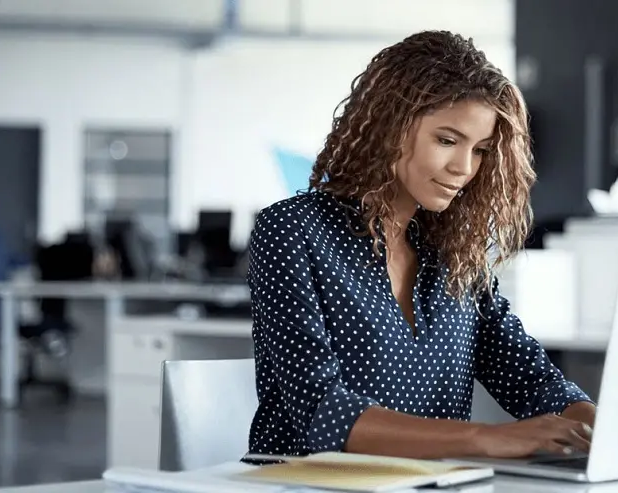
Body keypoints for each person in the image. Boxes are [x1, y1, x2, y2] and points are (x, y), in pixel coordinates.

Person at [246, 30, 596, 461]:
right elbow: (322, 412)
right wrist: (485, 438)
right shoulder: (291, 230)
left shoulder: (454, 251)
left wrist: (599, 428)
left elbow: (530, 378)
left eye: (481, 150)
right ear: (388, 127)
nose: (464, 168)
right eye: (446, 140)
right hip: (308, 484)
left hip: (433, 484)